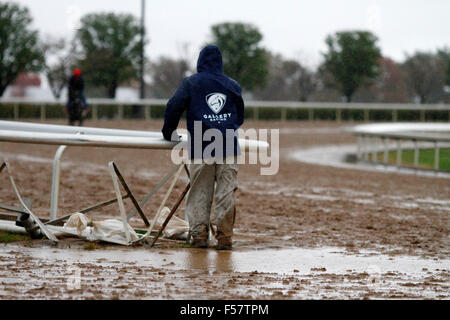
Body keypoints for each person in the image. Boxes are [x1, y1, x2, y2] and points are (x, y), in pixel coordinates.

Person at [162, 45, 245, 250]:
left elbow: (173, 106)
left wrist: (168, 133)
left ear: (200, 62)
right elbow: (239, 117)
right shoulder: (233, 85)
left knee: (200, 191)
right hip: (228, 145)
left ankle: (199, 236)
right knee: (226, 193)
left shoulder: (191, 83)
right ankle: (224, 238)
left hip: (201, 145)